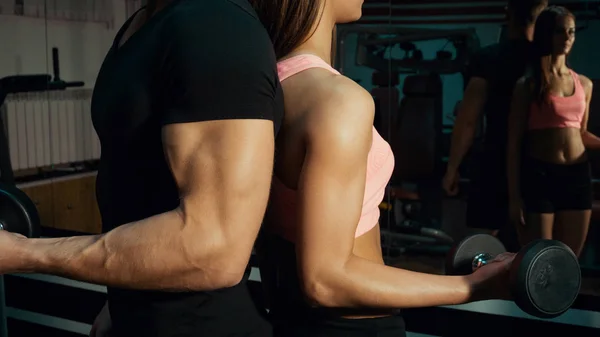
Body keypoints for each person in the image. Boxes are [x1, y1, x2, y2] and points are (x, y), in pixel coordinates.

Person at [0, 0, 284, 336]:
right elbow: (143, 190)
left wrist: (25, 253)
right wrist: (120, 298)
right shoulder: (143, 24)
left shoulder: (214, 24)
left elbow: (214, 247)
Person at [249, 1, 516, 336]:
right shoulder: (337, 101)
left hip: (288, 317)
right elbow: (325, 280)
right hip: (353, 327)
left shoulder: (262, 88)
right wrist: (473, 286)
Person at [442, 0, 547, 247]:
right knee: (532, 250)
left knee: (485, 249)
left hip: (497, 159)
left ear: (507, 14)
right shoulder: (547, 61)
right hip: (539, 163)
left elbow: (468, 121)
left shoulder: (488, 59)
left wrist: (452, 169)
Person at [507, 6, 599, 257]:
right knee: (539, 261)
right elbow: (513, 144)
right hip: (540, 174)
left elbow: (581, 133)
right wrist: (514, 198)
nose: (568, 37)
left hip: (577, 175)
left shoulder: (584, 84)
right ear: (546, 34)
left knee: (569, 260)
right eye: (560, 31)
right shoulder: (528, 84)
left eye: (571, 32)